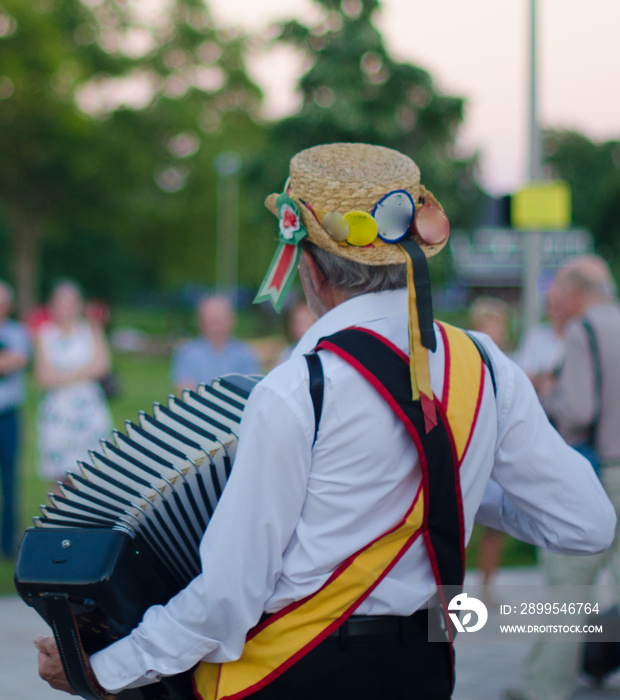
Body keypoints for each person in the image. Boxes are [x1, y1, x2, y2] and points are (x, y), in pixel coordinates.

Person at [36, 144, 615, 700]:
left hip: (298, 672)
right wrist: (459, 473)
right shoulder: (486, 363)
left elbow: (229, 599)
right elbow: (587, 524)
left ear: (309, 267)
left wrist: (103, 670)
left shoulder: (298, 389)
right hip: (428, 668)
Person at [509, 255, 620, 700]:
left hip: (599, 475)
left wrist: (547, 395)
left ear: (576, 293)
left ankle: (545, 690)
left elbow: (578, 412)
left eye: (556, 297)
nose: (553, 306)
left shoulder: (583, 330)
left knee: (565, 594)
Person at [34, 280, 113, 489]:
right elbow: (43, 376)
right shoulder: (45, 334)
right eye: (60, 303)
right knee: (59, 479)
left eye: (70, 303)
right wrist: (83, 372)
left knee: (91, 473)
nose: (65, 308)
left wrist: (63, 374)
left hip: (89, 410)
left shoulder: (91, 330)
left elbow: (102, 366)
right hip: (57, 413)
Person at [468, 296, 511, 603]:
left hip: (497, 450)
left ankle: (487, 583)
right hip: (471, 449)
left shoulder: (510, 363)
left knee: (494, 524)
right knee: (460, 523)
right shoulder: (466, 359)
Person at [171, 295, 260, 394]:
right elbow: (184, 392)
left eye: (220, 321)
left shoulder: (245, 354)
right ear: (201, 323)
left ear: (232, 321)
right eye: (211, 322)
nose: (216, 328)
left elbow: (251, 392)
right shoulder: (187, 353)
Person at [0, 281, 30, 559]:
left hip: (8, 415)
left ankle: (7, 542)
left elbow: (18, 359)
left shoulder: (17, 332)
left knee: (10, 481)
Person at [277, 300, 316, 364]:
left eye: (305, 323)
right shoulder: (288, 353)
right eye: (296, 323)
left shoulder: (320, 351)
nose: (300, 328)